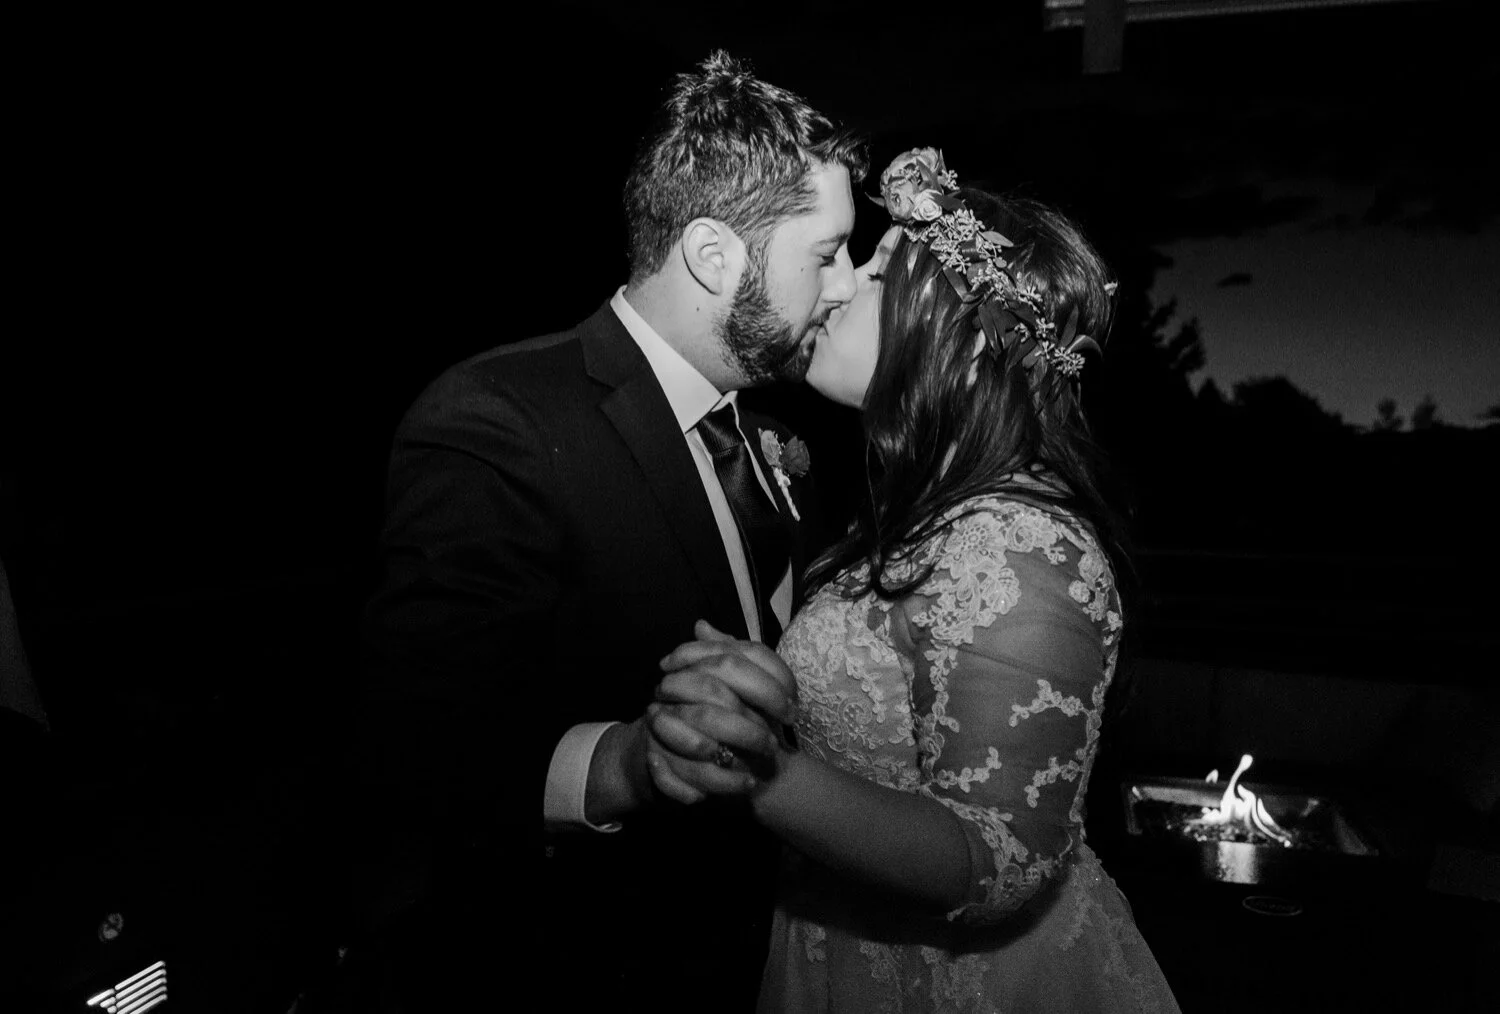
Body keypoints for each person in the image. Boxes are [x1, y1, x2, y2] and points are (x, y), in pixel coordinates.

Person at [333, 53, 867, 1013]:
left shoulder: (774, 435)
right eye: (826, 253)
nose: (846, 284)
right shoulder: (499, 419)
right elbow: (415, 752)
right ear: (715, 255)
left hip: (766, 943)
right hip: (583, 960)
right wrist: (627, 764)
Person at [651, 149, 1183, 1012]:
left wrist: (763, 773)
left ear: (966, 343)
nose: (839, 288)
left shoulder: (1018, 547)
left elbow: (1001, 860)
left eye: (876, 273)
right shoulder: (928, 516)